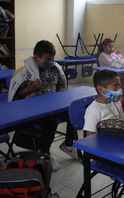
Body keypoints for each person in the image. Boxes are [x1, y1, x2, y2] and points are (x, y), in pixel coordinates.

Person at [8, 40, 78, 171]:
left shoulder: (54, 69)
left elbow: (58, 85)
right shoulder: (26, 72)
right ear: (36, 58)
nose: (50, 63)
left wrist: (61, 91)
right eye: (47, 61)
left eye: (52, 60)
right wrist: (32, 87)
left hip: (51, 106)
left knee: (73, 112)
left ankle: (68, 145)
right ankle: (44, 154)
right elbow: (17, 96)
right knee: (50, 123)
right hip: (32, 110)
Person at [83, 69, 124, 136]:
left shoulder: (116, 103)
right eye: (115, 86)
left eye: (119, 85)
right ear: (100, 89)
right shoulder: (94, 110)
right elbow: (90, 136)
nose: (119, 89)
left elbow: (123, 121)